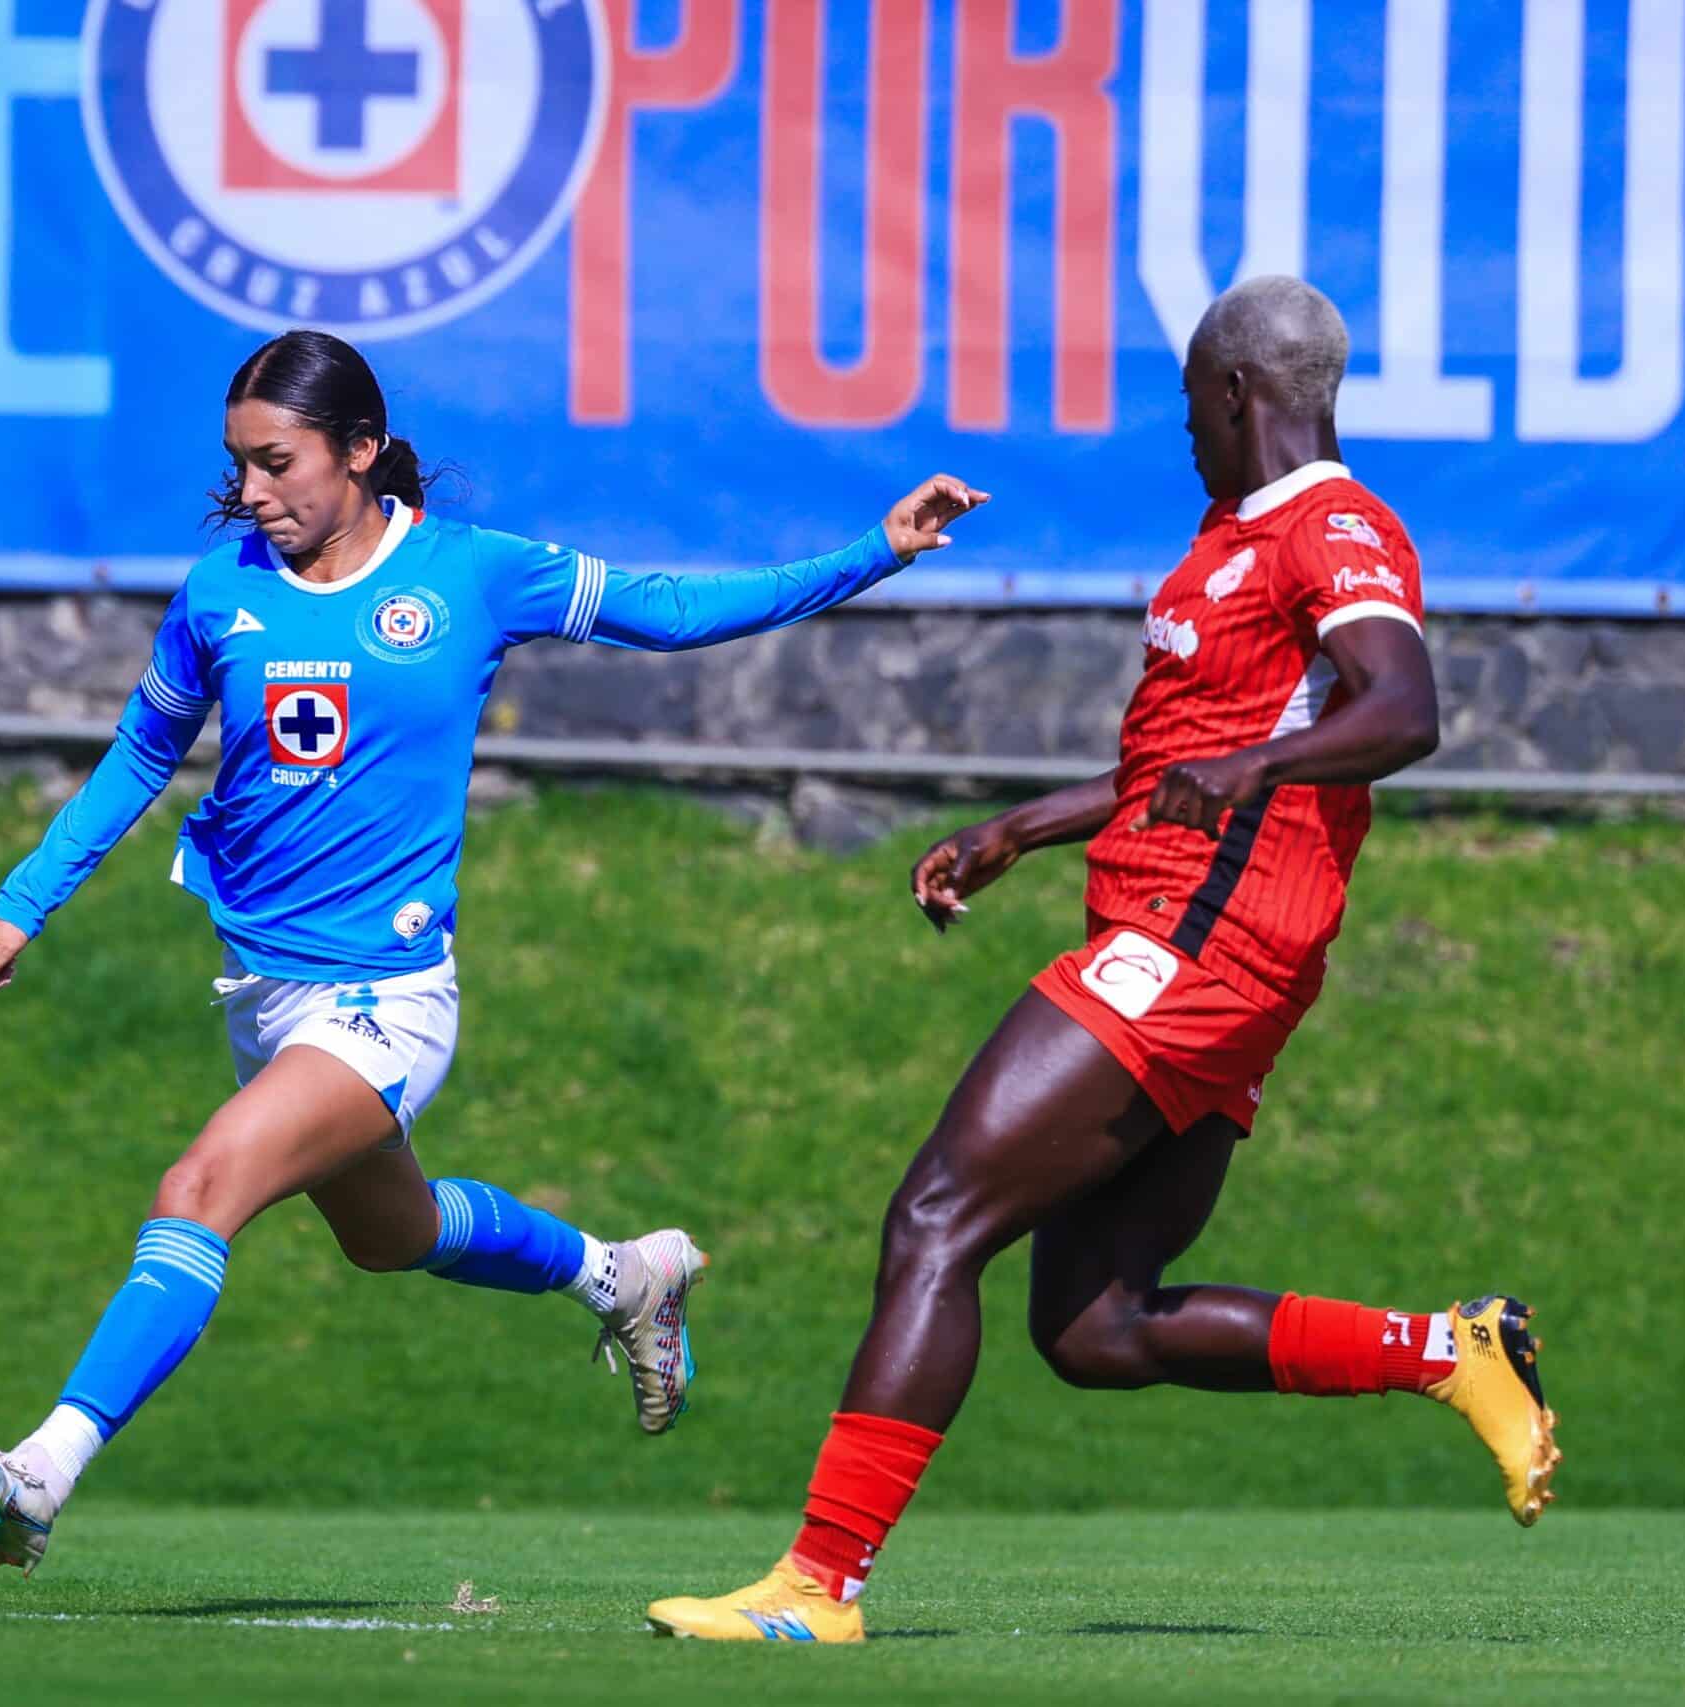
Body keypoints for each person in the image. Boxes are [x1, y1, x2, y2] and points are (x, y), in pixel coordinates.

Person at [0, 330, 987, 1574]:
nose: (255, 493)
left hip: (386, 999)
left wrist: (878, 549)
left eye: (279, 464)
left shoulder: (474, 575)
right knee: (394, 1234)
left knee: (199, 1190)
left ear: (361, 450)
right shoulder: (219, 593)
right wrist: (26, 896)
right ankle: (623, 1276)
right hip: (262, 997)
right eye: (241, 467)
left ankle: (41, 1472)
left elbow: (678, 611)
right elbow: (141, 756)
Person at [644, 277, 1559, 1643]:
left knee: (935, 1217)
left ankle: (816, 1584)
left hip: (1198, 951)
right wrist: (1024, 825)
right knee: (1093, 1326)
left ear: (1240, 391)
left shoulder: (1338, 525)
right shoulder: (1227, 540)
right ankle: (1449, 1348)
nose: (1185, 425)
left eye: (1193, 398)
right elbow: (1172, 767)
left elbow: (1403, 708)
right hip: (1195, 951)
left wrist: (1254, 765)